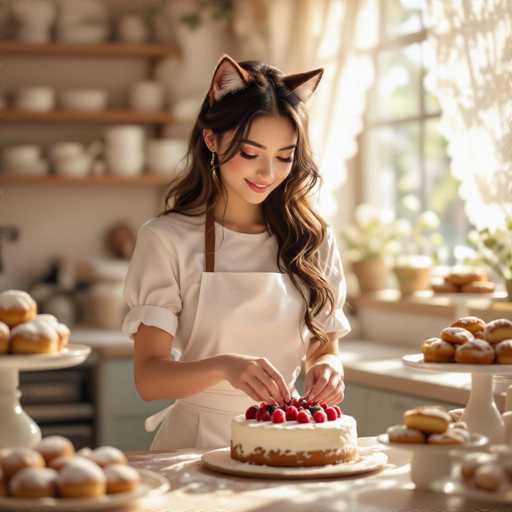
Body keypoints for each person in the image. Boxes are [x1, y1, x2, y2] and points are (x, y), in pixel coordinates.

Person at [122, 54, 351, 450]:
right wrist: (226, 366)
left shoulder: (312, 238)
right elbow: (149, 379)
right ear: (212, 139)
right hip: (193, 445)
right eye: (250, 154)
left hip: (285, 440)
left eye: (284, 157)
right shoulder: (166, 239)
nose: (268, 174)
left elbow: (324, 348)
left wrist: (329, 369)